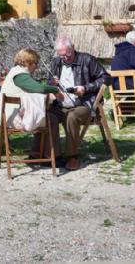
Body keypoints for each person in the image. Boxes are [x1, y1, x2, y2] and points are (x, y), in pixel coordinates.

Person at [36, 37, 111, 171]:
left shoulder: (87, 60)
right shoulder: (56, 62)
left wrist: (85, 88)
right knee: (45, 115)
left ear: (73, 48)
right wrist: (52, 84)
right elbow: (48, 82)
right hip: (60, 105)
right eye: (61, 55)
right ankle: (53, 155)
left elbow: (106, 78)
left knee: (71, 116)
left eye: (67, 54)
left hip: (84, 105)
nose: (64, 58)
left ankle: (72, 156)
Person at [0, 48, 60, 137]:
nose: (36, 66)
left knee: (42, 115)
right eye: (35, 63)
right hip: (12, 118)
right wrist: (56, 89)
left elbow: (34, 87)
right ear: (29, 62)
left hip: (9, 116)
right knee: (51, 118)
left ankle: (39, 149)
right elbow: (39, 88)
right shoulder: (19, 75)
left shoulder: (16, 72)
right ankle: (48, 151)